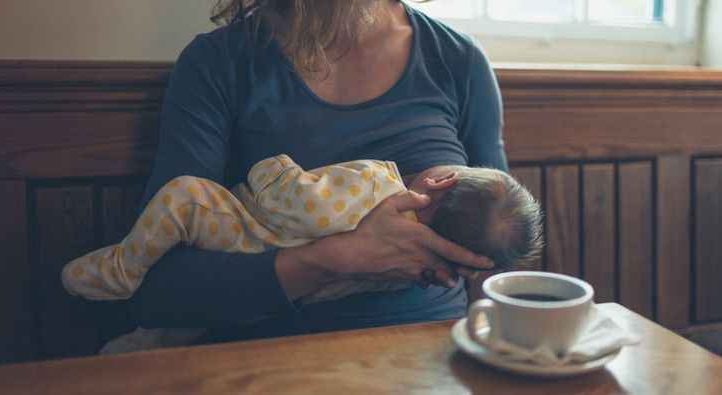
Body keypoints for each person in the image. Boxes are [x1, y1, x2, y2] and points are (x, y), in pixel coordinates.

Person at [124, 0, 508, 345]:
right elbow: (158, 292)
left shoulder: (459, 60)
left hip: (432, 354)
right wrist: (342, 259)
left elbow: (497, 247)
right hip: (268, 359)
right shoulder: (219, 62)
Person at [62, 153, 541, 353]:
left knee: (184, 197)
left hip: (239, 232)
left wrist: (275, 167)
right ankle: (121, 352)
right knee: (175, 332)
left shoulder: (379, 181)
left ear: (438, 182)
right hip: (266, 307)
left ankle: (122, 268)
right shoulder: (411, 270)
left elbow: (292, 198)